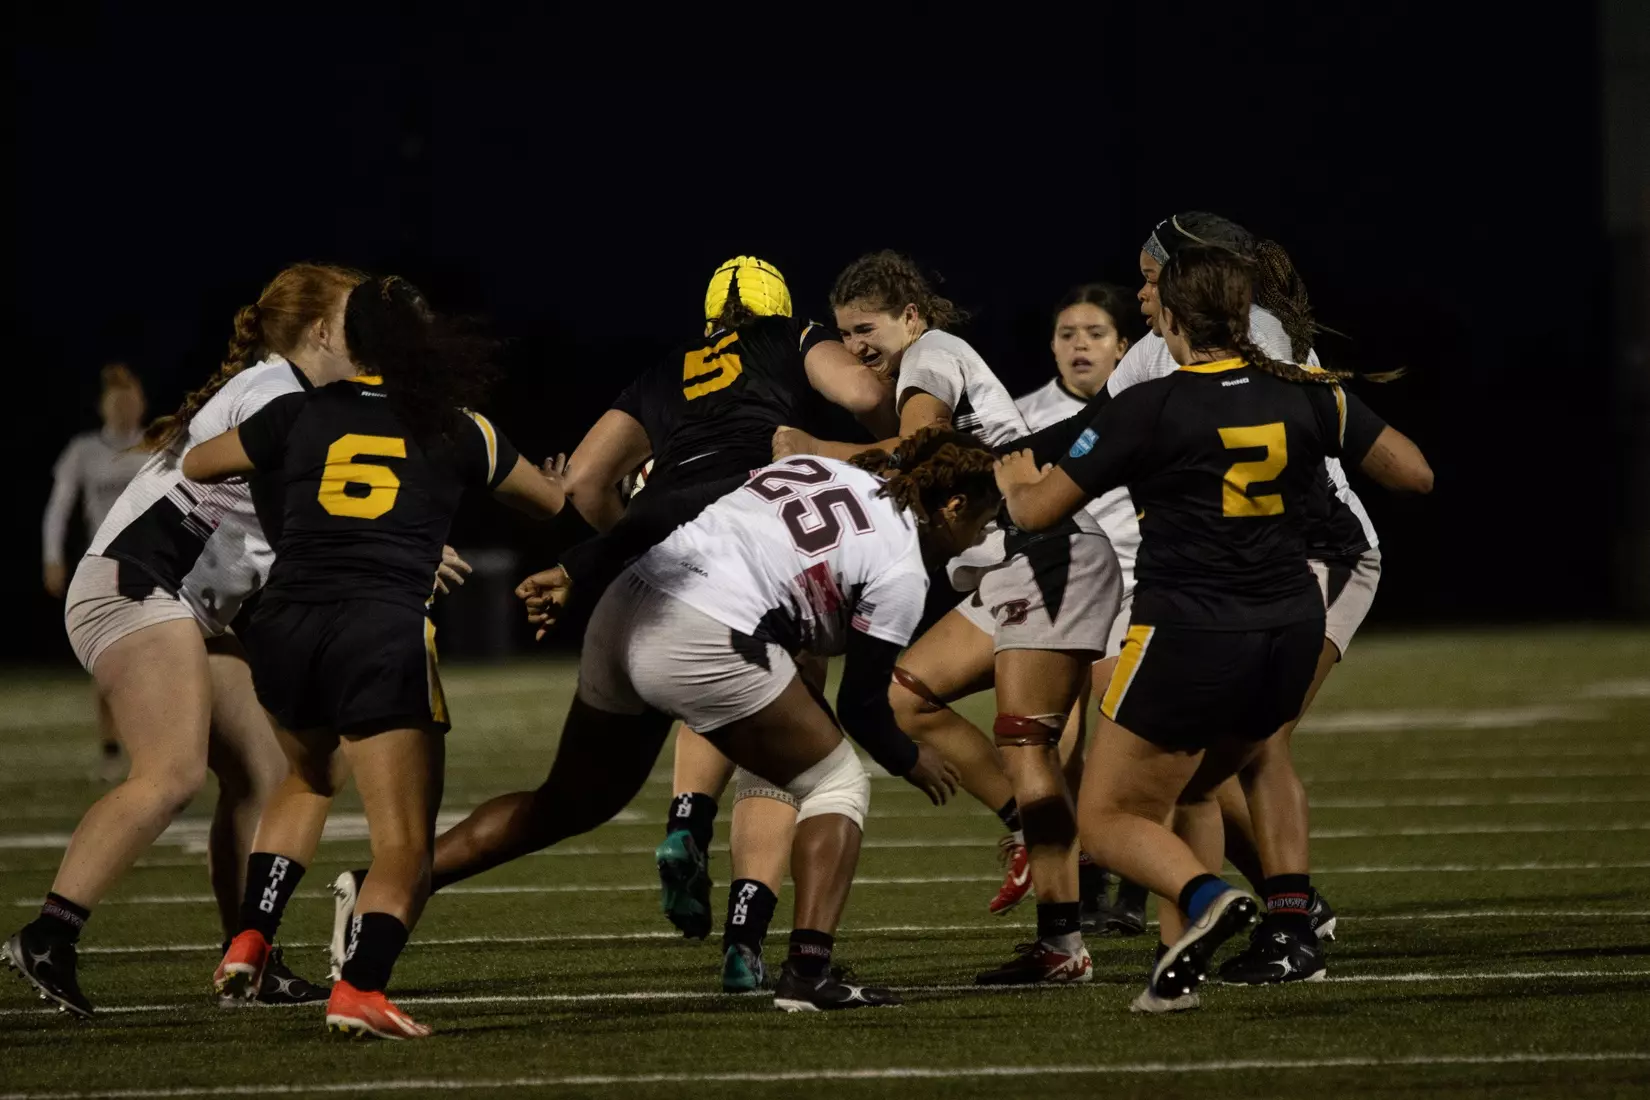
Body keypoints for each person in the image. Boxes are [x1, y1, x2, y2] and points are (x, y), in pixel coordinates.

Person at [372, 429, 993, 1012]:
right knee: (835, 784)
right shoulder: (904, 569)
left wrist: (581, 566)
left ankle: (381, 891)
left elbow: (679, 504)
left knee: (570, 802)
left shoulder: (817, 468)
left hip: (629, 601)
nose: (984, 531)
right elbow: (863, 704)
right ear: (954, 504)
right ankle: (808, 972)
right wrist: (911, 760)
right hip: (704, 630)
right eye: (985, 516)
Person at [995, 243, 1432, 1014]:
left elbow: (1035, 511)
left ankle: (1205, 900)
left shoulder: (1152, 404)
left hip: (1191, 633)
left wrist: (1007, 468)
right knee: (1195, 786)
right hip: (1291, 629)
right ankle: (1176, 965)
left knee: (1105, 819)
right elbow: (1414, 474)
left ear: (1171, 316)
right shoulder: (1307, 391)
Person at [187, 276, 562, 1039]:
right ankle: (360, 987)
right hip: (378, 626)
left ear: (349, 342)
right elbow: (552, 504)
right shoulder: (457, 426)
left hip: (287, 621)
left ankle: (251, 936)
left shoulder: (293, 410)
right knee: (406, 846)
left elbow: (199, 464)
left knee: (307, 776)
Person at [3, 263, 369, 1019]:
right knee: (170, 773)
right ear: (323, 331)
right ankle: (49, 933)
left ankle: (250, 957)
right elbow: (314, 517)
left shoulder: (293, 395)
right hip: (137, 582)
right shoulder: (277, 397)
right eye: (355, 320)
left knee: (265, 777)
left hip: (187, 605)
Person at [530, 256, 895, 951]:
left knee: (714, 685)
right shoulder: (789, 339)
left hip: (669, 540)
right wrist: (893, 428)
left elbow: (581, 481)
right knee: (790, 738)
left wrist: (634, 543)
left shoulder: (670, 366)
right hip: (754, 526)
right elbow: (857, 391)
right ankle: (745, 940)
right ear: (782, 309)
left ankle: (686, 822)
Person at [775, 251, 1120, 986]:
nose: (857, 346)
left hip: (1050, 554)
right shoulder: (917, 367)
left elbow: (918, 450)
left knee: (1028, 743)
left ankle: (1067, 939)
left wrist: (814, 454)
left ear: (910, 316)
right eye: (844, 334)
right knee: (906, 696)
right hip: (1015, 565)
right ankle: (1030, 834)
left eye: (865, 328)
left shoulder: (930, 355)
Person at [1013, 284, 1151, 935]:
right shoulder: (1022, 415)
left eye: (1095, 333)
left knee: (1119, 732)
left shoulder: (1143, 403)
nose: (1080, 345)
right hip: (1062, 594)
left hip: (1136, 591)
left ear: (1124, 345)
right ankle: (1083, 874)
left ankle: (1135, 885)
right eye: (1067, 333)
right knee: (1053, 739)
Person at [41, 363, 149, 778]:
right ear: (103, 406)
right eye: (116, 401)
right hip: (103, 567)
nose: (124, 408)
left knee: (156, 657)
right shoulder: (84, 450)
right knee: (108, 659)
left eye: (131, 399)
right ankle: (110, 748)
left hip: (153, 566)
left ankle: (152, 743)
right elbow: (59, 507)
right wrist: (52, 556)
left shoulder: (155, 445)